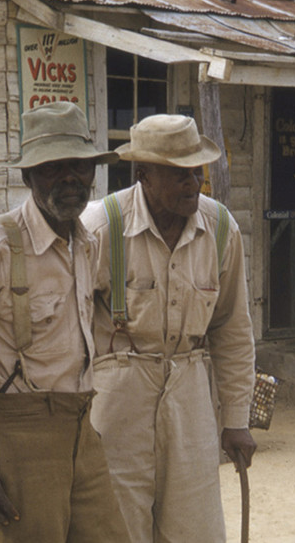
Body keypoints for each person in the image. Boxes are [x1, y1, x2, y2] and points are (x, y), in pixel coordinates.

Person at [0, 102, 130, 542]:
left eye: (78, 166)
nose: (70, 179)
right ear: (28, 176)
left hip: (81, 427)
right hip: (18, 438)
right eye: (53, 168)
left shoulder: (86, 244)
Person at [80, 114, 257, 543]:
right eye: (178, 175)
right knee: (118, 525)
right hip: (118, 393)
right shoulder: (100, 227)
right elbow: (72, 328)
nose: (192, 184)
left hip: (190, 389)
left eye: (196, 172)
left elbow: (233, 330)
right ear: (143, 174)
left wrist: (236, 418)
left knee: (194, 526)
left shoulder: (219, 228)